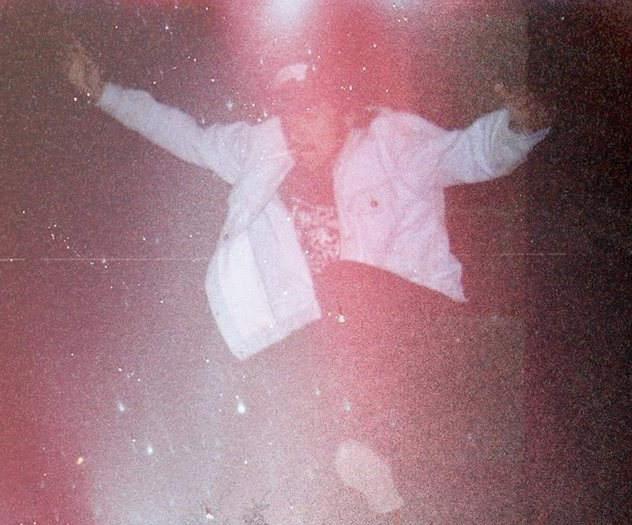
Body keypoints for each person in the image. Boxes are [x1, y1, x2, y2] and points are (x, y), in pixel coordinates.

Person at [64, 38, 552, 361]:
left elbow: (466, 154)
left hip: (421, 319)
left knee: (342, 283)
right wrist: (105, 94)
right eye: (291, 117)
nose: (298, 130)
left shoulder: (390, 142)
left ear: (342, 111)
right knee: (290, 339)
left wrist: (517, 129)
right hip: (340, 347)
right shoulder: (263, 151)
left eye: (313, 113)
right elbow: (188, 136)